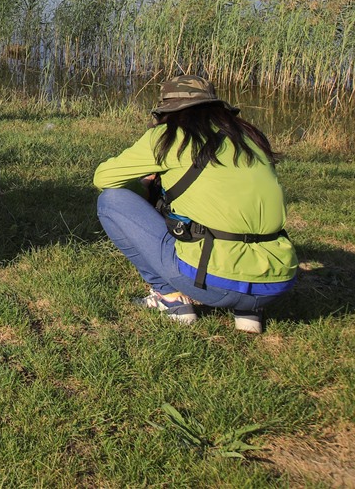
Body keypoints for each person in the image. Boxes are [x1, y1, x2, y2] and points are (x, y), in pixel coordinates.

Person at [93, 76, 297, 334]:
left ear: (167, 111)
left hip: (209, 281)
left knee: (111, 200)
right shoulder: (251, 137)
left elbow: (103, 178)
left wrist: (150, 183)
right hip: (277, 280)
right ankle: (248, 312)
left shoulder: (167, 137)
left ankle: (170, 298)